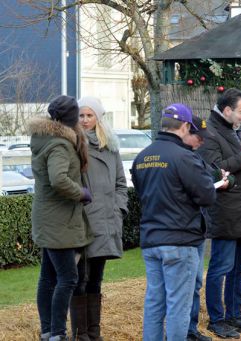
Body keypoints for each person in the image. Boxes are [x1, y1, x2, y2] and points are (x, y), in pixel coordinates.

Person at [131, 103, 217, 341]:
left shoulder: (142, 157)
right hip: (181, 239)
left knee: (155, 303)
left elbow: (142, 193)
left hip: (151, 239)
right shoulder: (185, 157)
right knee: (179, 305)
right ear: (186, 126)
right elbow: (207, 196)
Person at [197, 88, 241, 339]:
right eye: (240, 112)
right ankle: (216, 319)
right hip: (226, 212)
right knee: (220, 268)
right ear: (226, 110)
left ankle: (234, 315)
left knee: (240, 267)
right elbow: (215, 170)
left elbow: (240, 163)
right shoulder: (210, 133)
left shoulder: (234, 130)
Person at [29, 95, 93, 341]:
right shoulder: (60, 144)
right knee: (68, 278)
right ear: (70, 118)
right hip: (59, 221)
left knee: (48, 277)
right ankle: (57, 333)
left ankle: (48, 331)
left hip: (47, 218)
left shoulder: (43, 138)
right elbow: (58, 179)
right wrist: (81, 193)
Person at [68, 97, 128, 341]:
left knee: (96, 281)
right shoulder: (73, 146)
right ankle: (81, 335)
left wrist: (118, 210)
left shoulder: (111, 148)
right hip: (83, 223)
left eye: (89, 115)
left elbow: (121, 184)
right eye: (81, 116)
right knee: (79, 280)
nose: (85, 120)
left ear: (98, 118)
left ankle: (94, 333)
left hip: (107, 222)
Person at [182, 114, 218, 341]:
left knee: (195, 282)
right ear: (185, 131)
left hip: (198, 226)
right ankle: (181, 331)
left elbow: (209, 177)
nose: (202, 141)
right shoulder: (181, 157)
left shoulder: (195, 156)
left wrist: (219, 177)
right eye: (199, 136)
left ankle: (191, 329)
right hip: (183, 229)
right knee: (182, 285)